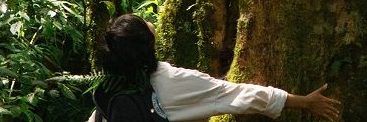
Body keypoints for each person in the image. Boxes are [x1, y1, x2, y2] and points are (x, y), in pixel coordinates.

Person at [89, 13, 343, 122]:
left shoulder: (109, 86)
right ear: (149, 44)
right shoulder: (177, 82)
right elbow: (240, 95)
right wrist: (304, 102)